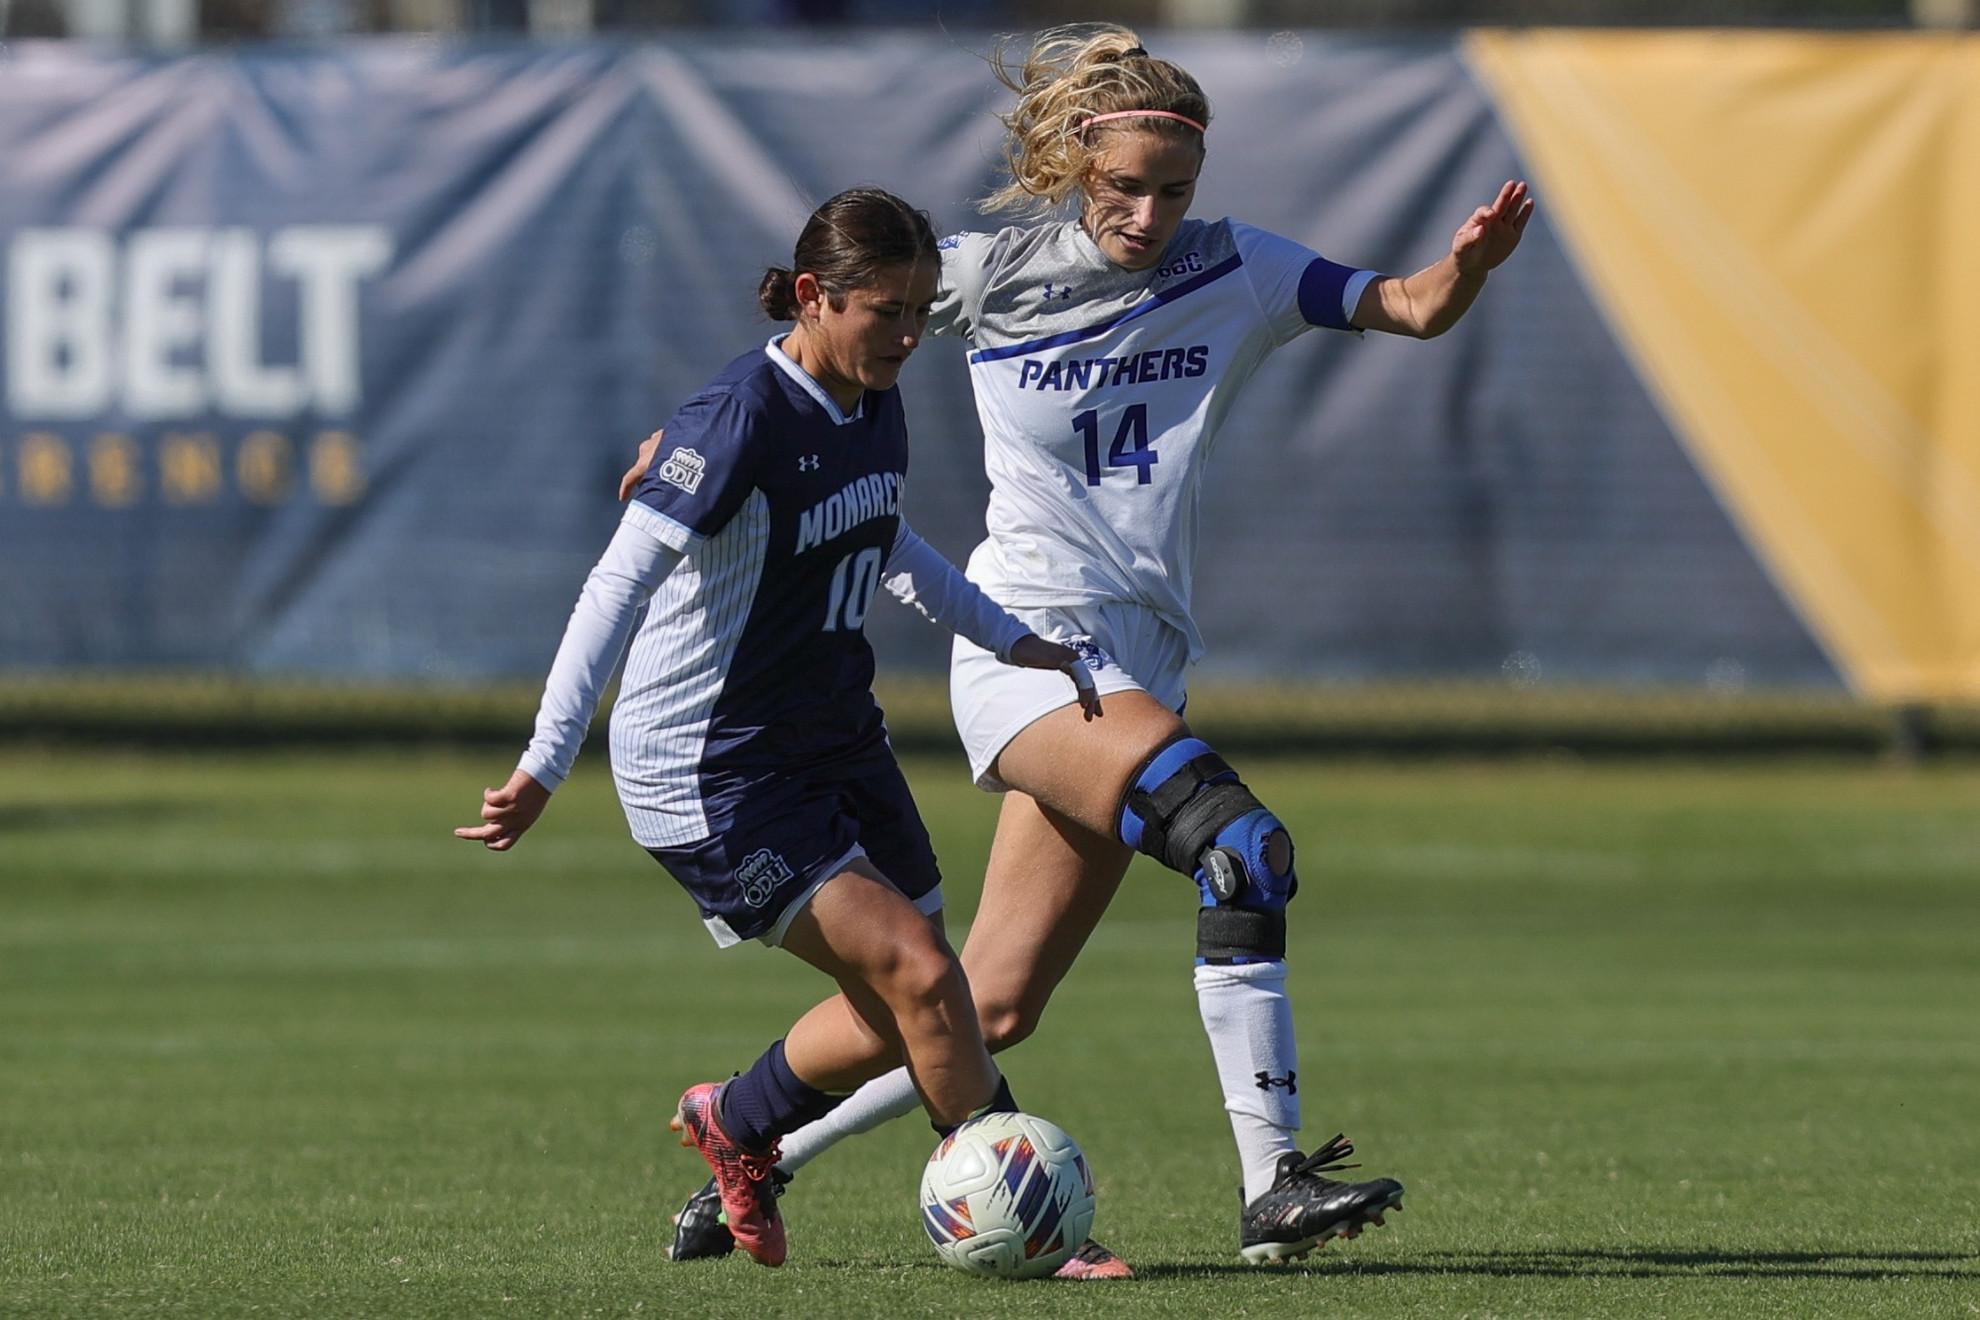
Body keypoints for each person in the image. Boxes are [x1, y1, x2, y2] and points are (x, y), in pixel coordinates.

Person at [641, 25, 1535, 1272]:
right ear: (1072, 164)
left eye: (1174, 190)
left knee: (989, 1002)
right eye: (1124, 188)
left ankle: (744, 1131)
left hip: (1143, 660)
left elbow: (1411, 309)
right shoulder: (989, 271)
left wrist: (1467, 268)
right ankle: (1272, 1183)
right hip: (1031, 649)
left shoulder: (1240, 270)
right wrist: (688, 446)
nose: (1150, 213)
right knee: (1243, 848)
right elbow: (823, 327)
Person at [458, 187, 1097, 1269]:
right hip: (710, 768)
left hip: (835, 736)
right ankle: (1035, 1229)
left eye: (919, 311)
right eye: (885, 310)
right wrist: (542, 764)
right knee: (926, 982)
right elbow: (614, 588)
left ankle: (739, 1123)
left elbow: (890, 545)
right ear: (813, 296)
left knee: (919, 1000)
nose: (905, 334)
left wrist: (1012, 638)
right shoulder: (738, 418)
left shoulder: (871, 394)